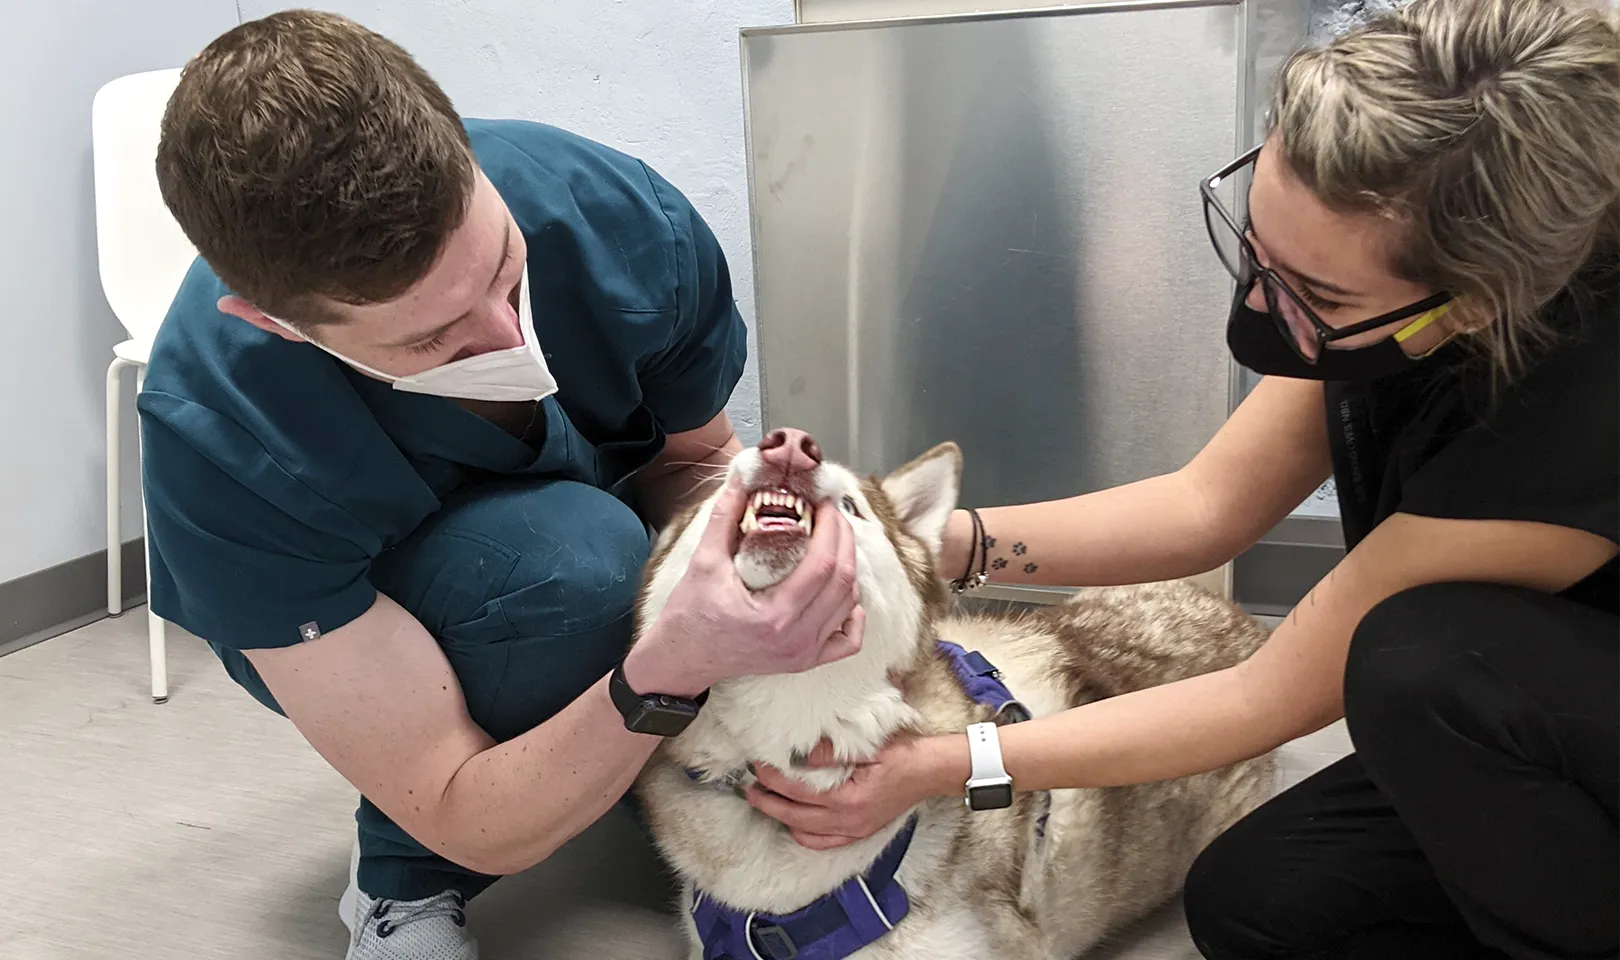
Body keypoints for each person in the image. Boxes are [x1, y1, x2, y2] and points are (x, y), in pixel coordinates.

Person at [740, 1, 1619, 958]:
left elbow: (1263, 700)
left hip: (1539, 700)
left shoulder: (1579, 415)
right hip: (1506, 715)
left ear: (1478, 302)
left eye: (1316, 296)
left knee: (1416, 662)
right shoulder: (1391, 289)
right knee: (1257, 905)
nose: (1257, 304)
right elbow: (1208, 507)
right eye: (1258, 250)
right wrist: (919, 546)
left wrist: (944, 765)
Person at [142, 11, 863, 960]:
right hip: (381, 622)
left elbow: (684, 465)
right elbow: (454, 802)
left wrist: (752, 557)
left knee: (618, 561)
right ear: (276, 324)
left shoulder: (621, 220)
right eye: (429, 341)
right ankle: (399, 885)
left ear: (467, 159)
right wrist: (667, 673)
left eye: (503, 273)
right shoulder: (221, 432)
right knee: (577, 573)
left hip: (579, 537)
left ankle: (603, 759)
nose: (507, 339)